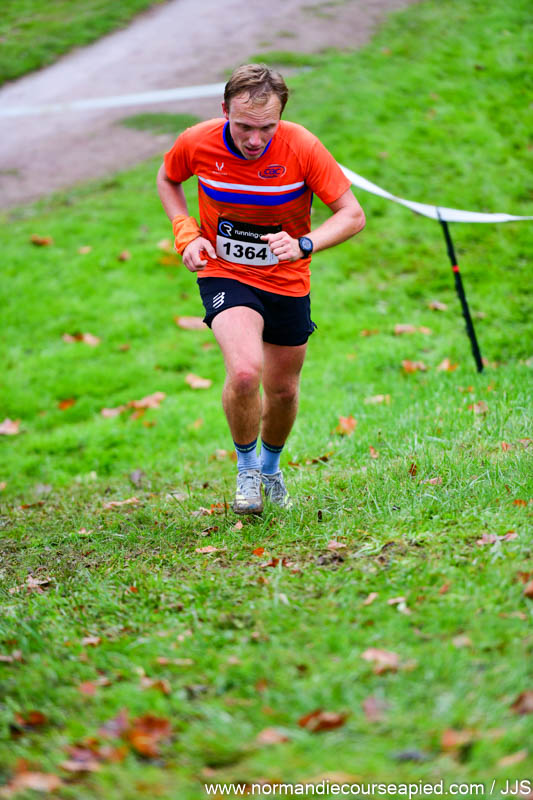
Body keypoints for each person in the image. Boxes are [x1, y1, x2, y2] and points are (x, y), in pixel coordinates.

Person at [157, 63, 365, 514]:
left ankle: (270, 469)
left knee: (283, 390)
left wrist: (305, 244)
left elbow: (352, 215)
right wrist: (186, 231)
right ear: (224, 110)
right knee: (246, 373)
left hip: (287, 278)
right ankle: (247, 470)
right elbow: (168, 178)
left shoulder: (302, 146)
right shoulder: (197, 141)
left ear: (281, 117)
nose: (255, 140)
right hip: (225, 271)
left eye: (267, 127)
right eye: (244, 126)